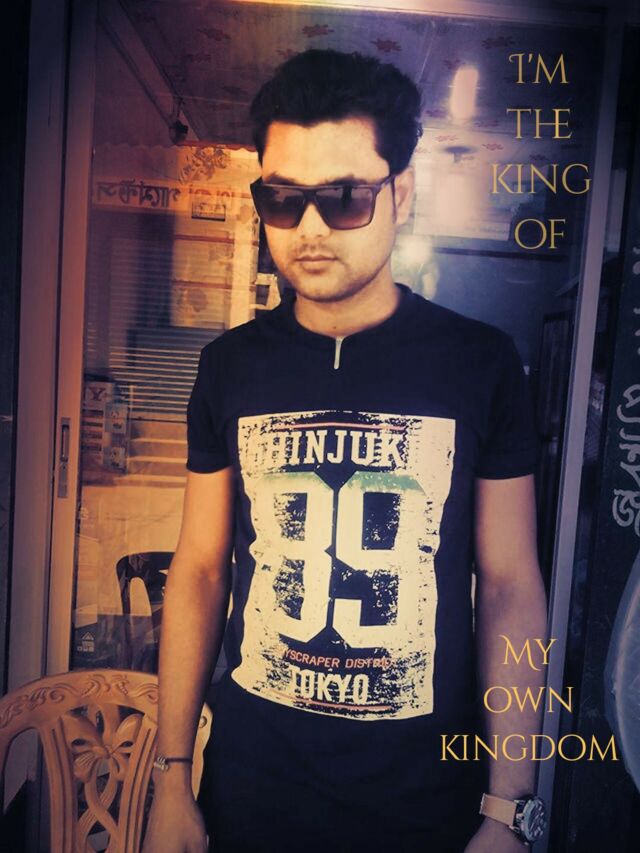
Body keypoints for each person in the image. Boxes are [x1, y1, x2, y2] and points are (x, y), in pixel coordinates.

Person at [142, 49, 549, 853]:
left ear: (403, 194)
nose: (311, 228)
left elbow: (510, 585)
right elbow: (199, 570)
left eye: (345, 198)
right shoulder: (229, 366)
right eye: (282, 199)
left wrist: (510, 807)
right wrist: (171, 775)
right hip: (249, 797)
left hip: (425, 806)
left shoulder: (481, 364)